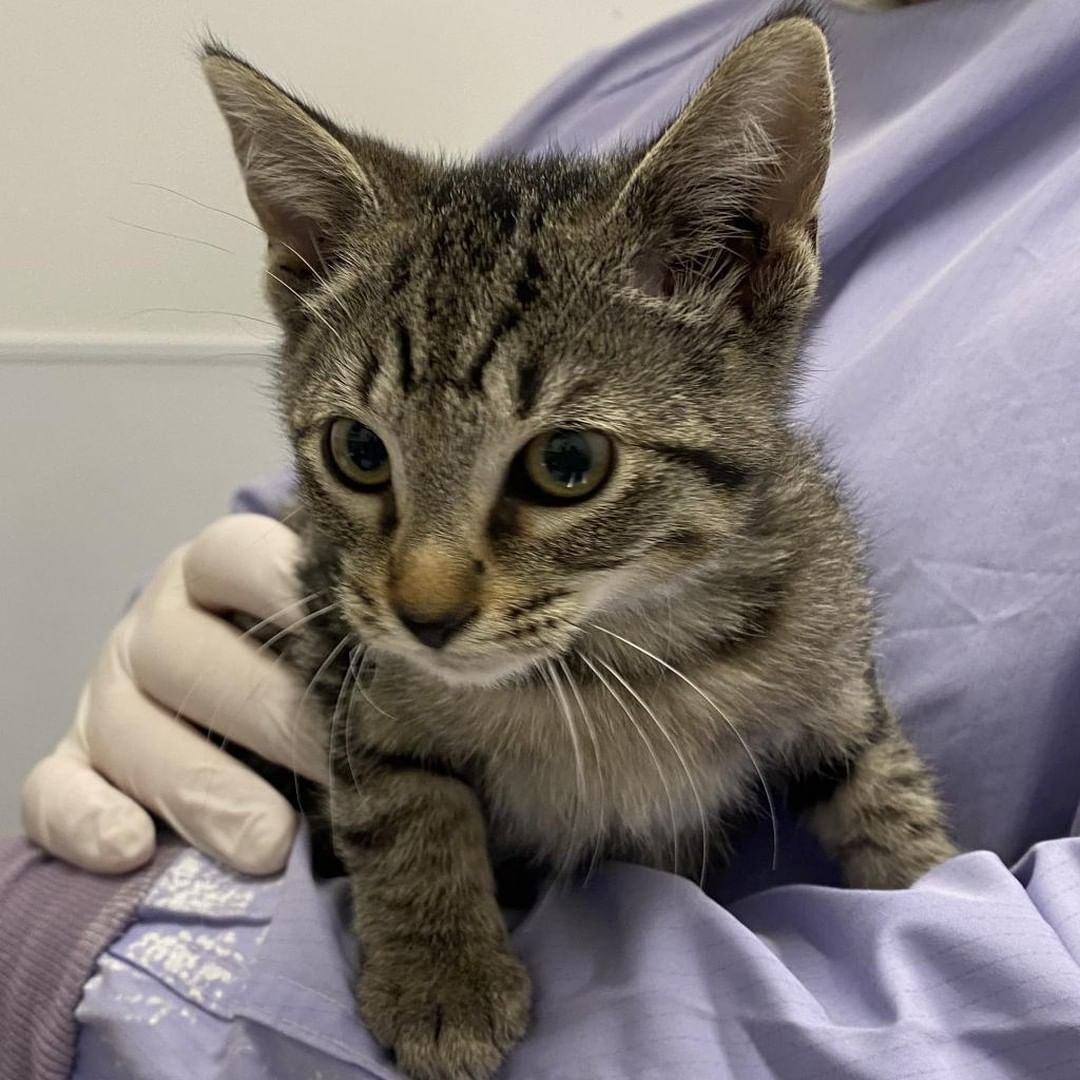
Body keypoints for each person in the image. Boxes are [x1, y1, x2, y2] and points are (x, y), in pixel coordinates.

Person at [5, 0, 1080, 1077]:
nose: (424, 590)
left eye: (563, 465)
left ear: (745, 268)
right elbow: (357, 716)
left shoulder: (796, 602)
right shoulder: (624, 78)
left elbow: (857, 759)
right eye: (363, 456)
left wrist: (924, 888)